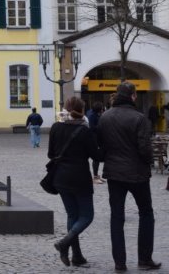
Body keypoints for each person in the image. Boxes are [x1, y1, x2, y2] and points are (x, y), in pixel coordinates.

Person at [97, 82, 161, 271]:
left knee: (117, 217)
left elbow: (101, 145)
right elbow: (145, 148)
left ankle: (119, 262)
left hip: (114, 173)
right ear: (133, 96)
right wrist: (148, 161)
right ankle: (144, 258)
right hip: (137, 173)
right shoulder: (139, 118)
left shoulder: (105, 117)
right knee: (146, 213)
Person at [48, 97, 102, 267]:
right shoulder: (84, 131)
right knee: (87, 216)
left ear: (65, 109)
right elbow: (97, 156)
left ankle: (77, 256)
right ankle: (64, 243)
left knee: (72, 215)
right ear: (82, 111)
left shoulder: (56, 127)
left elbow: (51, 154)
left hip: (61, 178)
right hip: (80, 178)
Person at [86, 101, 105, 183]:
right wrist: (101, 126)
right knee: (96, 158)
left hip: (99, 139)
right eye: (102, 108)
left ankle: (97, 175)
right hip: (94, 139)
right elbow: (92, 128)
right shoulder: (92, 116)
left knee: (98, 158)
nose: (102, 109)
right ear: (99, 109)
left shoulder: (97, 115)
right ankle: (95, 177)